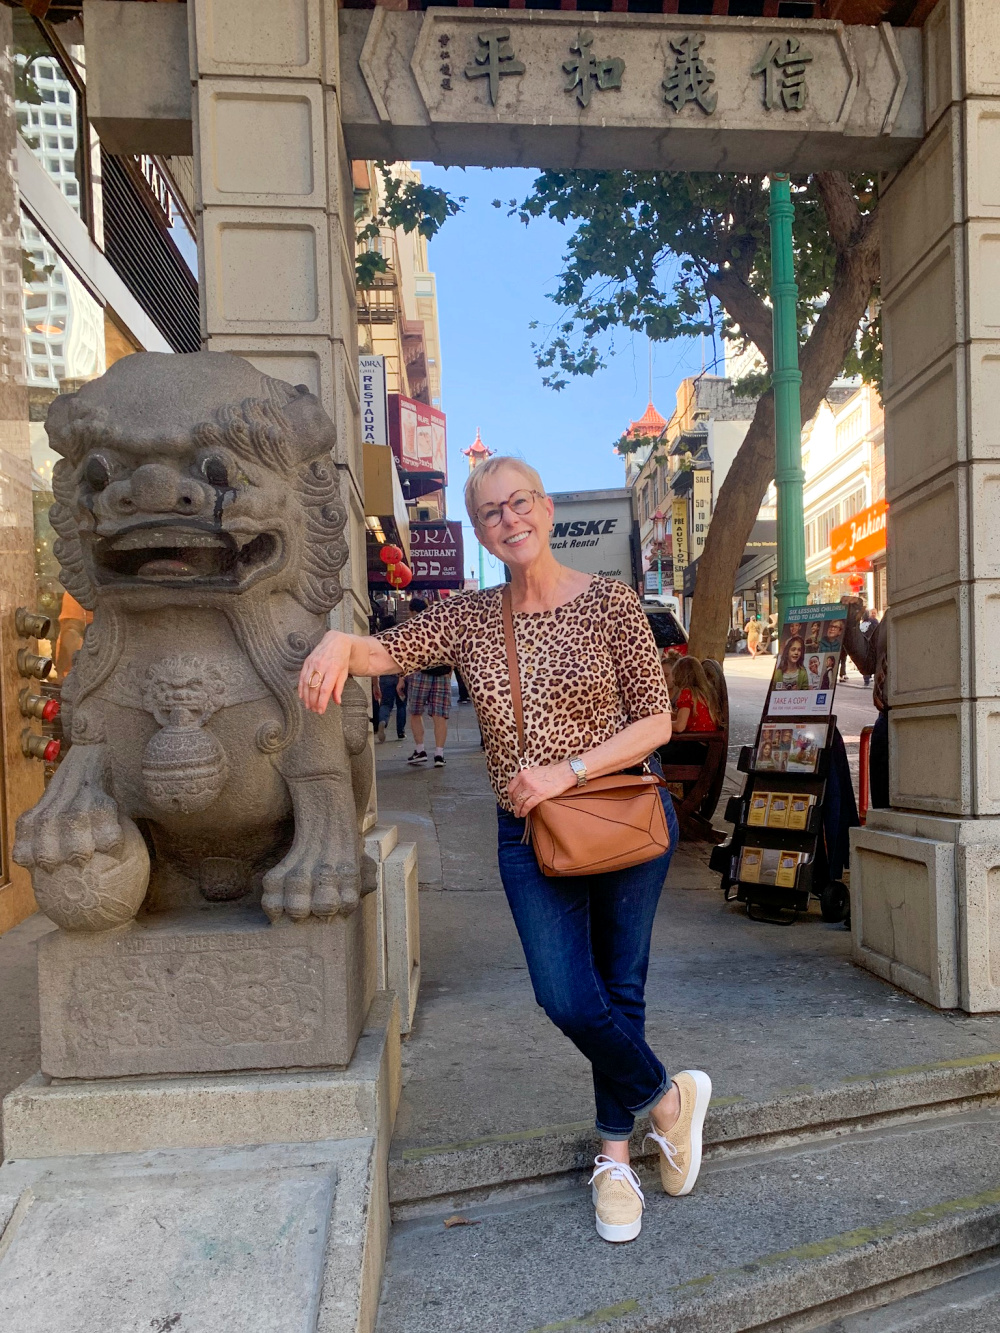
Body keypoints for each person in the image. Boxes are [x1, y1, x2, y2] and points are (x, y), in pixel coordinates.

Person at [298, 454, 711, 1246]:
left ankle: (616, 1157)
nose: (509, 518)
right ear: (481, 530)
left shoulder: (613, 604)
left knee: (620, 987)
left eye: (520, 502)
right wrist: (330, 641)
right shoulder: (470, 617)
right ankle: (668, 1100)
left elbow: (657, 722)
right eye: (490, 511)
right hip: (527, 833)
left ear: (546, 509)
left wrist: (568, 769)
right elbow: (383, 651)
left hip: (619, 814)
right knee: (566, 994)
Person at [843, 598, 889, 807]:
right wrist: (850, 623)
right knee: (883, 803)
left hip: (919, 717)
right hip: (887, 718)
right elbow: (869, 662)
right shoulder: (891, 617)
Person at [401, 597, 452, 768]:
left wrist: (402, 678)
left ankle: (420, 750)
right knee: (440, 715)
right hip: (442, 675)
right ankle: (439, 754)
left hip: (420, 673)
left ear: (413, 611)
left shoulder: (414, 627)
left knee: (415, 712)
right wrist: (449, 671)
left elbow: (408, 654)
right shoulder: (442, 625)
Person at [671, 656, 721, 734]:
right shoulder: (705, 693)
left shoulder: (687, 693)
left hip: (694, 741)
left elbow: (679, 726)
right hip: (708, 740)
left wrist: (661, 724)